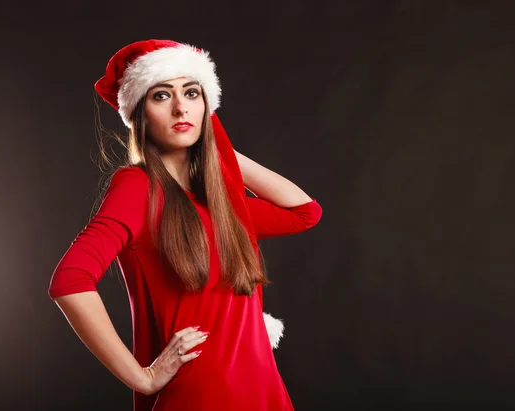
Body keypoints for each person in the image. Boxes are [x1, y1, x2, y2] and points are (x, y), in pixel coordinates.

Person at [48, 39, 322, 411]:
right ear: (140, 114)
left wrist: (219, 150)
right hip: (201, 396)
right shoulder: (138, 188)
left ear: (207, 106)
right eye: (161, 95)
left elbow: (304, 213)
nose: (181, 107)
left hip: (264, 391)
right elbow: (70, 281)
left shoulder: (220, 204)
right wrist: (142, 376)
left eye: (192, 92)